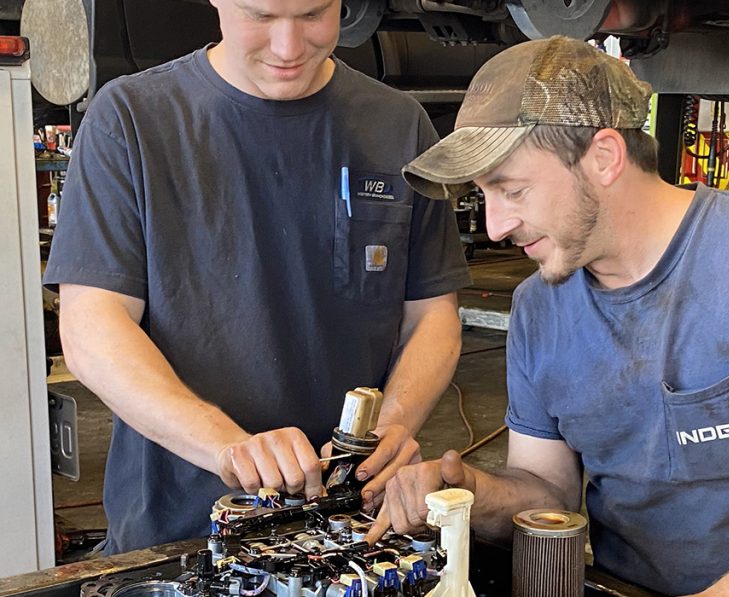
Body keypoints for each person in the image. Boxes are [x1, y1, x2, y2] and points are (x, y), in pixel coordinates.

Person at [366, 36, 729, 596]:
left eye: (512, 190)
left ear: (606, 157)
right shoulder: (540, 308)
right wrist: (471, 493)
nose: (493, 226)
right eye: (482, 197)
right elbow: (548, 494)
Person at [43, 0, 470, 554]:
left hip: (352, 526)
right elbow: (91, 328)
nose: (289, 47)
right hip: (185, 530)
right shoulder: (132, 119)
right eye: (261, 17)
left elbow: (433, 315)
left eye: (315, 16)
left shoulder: (397, 124)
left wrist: (393, 422)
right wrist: (228, 447)